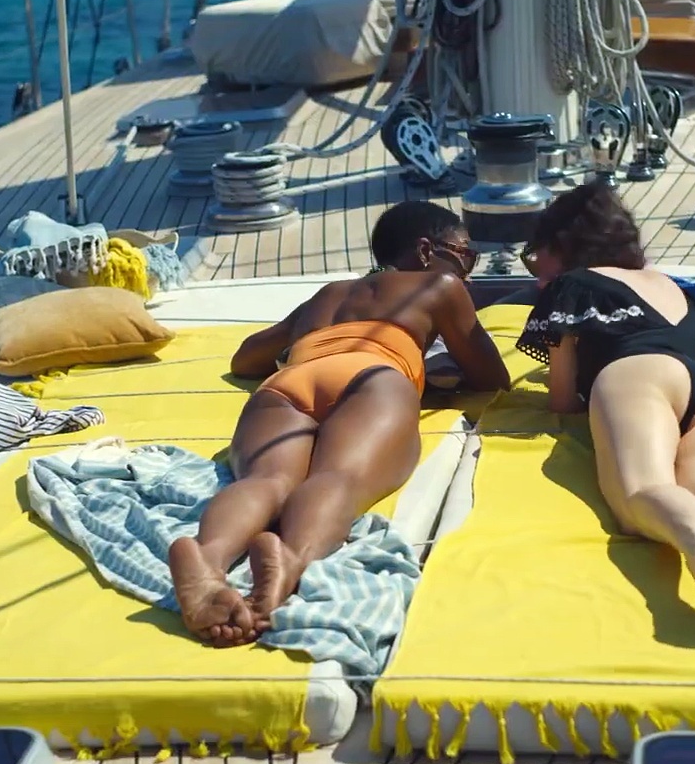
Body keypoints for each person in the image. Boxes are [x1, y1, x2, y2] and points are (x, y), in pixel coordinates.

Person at [167, 201, 512, 646]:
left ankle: (208, 559)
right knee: (338, 477)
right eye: (465, 255)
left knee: (268, 478)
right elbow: (491, 377)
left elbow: (245, 359)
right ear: (426, 250)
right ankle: (290, 558)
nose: (468, 271)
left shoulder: (327, 294)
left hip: (287, 382)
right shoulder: (439, 285)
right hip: (372, 375)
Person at [514, 183, 695, 651]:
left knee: (643, 493)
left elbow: (561, 400)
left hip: (639, 375)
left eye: (537, 256)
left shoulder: (575, 284)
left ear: (563, 244)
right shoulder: (671, 286)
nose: (536, 272)